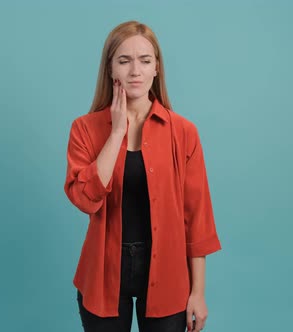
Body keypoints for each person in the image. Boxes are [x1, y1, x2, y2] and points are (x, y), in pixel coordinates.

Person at [64, 20, 222, 332]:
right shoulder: (84, 128)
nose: (135, 70)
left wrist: (198, 293)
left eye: (144, 60)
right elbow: (85, 199)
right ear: (111, 69)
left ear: (156, 69)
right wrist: (117, 132)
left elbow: (197, 217)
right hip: (102, 274)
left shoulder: (184, 132)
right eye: (124, 60)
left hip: (168, 271)